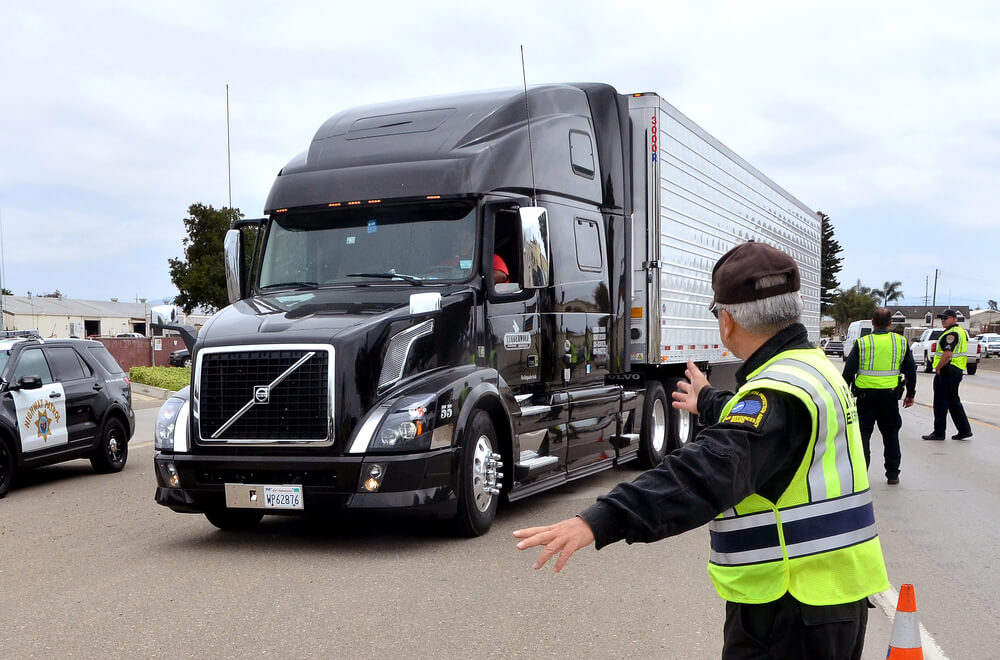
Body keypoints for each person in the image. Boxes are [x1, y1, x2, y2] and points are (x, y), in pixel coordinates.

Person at [514, 240, 889, 660]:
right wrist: (709, 400)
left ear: (726, 320)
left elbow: (708, 470)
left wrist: (603, 519)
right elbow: (765, 434)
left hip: (788, 608)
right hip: (837, 596)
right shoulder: (813, 369)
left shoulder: (777, 393)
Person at [842, 308, 916, 484]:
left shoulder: (862, 343)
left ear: (872, 323)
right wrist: (910, 394)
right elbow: (911, 371)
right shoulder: (901, 342)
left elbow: (848, 373)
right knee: (891, 435)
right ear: (890, 324)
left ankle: (861, 475)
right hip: (889, 398)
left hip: (865, 398)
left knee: (863, 435)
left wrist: (843, 396)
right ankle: (893, 475)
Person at [921, 309, 973, 441]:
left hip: (947, 370)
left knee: (940, 403)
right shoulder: (959, 331)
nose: (943, 320)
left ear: (954, 319)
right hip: (955, 370)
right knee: (953, 402)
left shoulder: (952, 334)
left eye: (946, 318)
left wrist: (938, 368)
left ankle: (939, 432)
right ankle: (964, 430)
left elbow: (948, 354)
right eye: (942, 318)